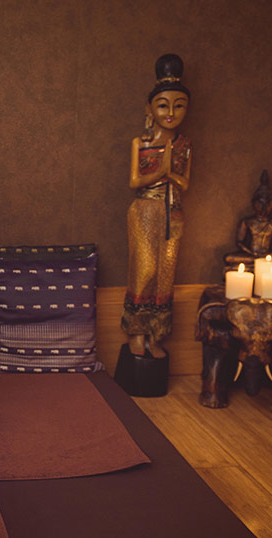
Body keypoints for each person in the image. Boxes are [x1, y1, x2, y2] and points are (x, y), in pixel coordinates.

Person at [122, 54, 192, 359]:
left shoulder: (184, 145)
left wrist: (169, 171)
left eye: (179, 105)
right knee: (145, 269)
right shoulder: (142, 142)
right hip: (146, 210)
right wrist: (162, 170)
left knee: (166, 274)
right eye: (164, 105)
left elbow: (185, 183)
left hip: (173, 211)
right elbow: (135, 181)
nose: (171, 112)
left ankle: (156, 335)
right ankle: (136, 332)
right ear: (150, 108)